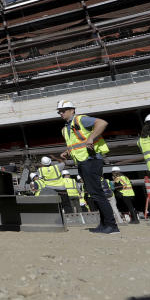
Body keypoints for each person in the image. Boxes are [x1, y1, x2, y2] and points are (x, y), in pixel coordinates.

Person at [56, 100, 119, 234]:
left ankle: (112, 225)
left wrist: (91, 137)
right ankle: (104, 224)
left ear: (72, 110)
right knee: (94, 193)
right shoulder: (66, 128)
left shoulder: (80, 120)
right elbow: (77, 143)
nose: (61, 113)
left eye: (64, 110)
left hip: (91, 159)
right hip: (82, 161)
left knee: (97, 193)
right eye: (59, 111)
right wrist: (67, 152)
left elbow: (102, 123)